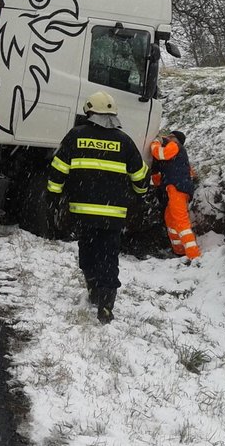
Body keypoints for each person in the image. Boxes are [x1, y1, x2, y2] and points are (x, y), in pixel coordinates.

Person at [46, 90, 149, 324]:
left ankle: (93, 290)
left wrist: (53, 196)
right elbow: (140, 176)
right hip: (113, 216)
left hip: (83, 213)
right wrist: (139, 196)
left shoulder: (75, 136)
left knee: (89, 252)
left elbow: (58, 169)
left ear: (90, 111)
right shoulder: (124, 141)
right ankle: (106, 304)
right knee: (109, 257)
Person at [150, 130, 200, 261]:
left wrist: (155, 143)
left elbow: (161, 153)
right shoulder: (177, 158)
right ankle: (179, 252)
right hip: (175, 188)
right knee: (171, 219)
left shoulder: (175, 146)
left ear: (176, 139)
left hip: (177, 188)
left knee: (180, 220)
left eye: (170, 136)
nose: (166, 138)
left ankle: (194, 256)